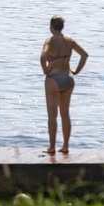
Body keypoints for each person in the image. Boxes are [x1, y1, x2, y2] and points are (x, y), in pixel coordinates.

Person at [40, 15, 89, 155]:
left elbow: (43, 57)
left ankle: (52, 147)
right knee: (65, 114)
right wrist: (77, 71)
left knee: (52, 115)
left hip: (53, 78)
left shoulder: (50, 40)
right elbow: (84, 55)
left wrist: (45, 70)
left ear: (51, 27)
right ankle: (66, 145)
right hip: (68, 79)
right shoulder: (69, 40)